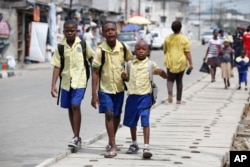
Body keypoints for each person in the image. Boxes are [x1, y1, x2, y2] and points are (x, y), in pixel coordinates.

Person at [91, 21, 133, 158]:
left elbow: (131, 64)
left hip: (120, 88)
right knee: (109, 114)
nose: (110, 32)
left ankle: (111, 140)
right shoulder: (99, 51)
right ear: (103, 33)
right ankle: (113, 146)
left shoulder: (124, 48)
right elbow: (95, 72)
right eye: (107, 30)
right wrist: (94, 94)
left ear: (117, 32)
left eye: (112, 30)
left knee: (116, 116)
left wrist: (128, 74)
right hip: (105, 89)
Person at [50, 20, 94, 148]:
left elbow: (92, 58)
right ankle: (76, 136)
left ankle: (75, 137)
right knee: (70, 107)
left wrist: (97, 72)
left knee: (76, 105)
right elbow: (57, 66)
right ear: (63, 32)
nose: (70, 33)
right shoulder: (60, 47)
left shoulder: (83, 44)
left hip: (80, 80)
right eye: (67, 31)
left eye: (72, 30)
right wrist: (53, 84)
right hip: (66, 81)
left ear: (76, 31)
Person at [121, 40, 167, 159]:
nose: (141, 51)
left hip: (145, 97)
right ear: (134, 51)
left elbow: (161, 73)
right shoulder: (129, 64)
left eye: (144, 49)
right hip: (132, 97)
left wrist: (162, 73)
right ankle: (134, 143)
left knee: (145, 120)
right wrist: (124, 77)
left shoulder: (151, 64)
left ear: (148, 51)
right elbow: (126, 78)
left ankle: (146, 146)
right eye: (138, 49)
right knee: (132, 122)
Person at [163, 20, 193, 104]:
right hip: (181, 61)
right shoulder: (184, 39)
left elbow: (165, 51)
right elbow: (187, 52)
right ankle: (179, 100)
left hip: (170, 61)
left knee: (170, 79)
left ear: (172, 28)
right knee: (179, 81)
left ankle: (170, 94)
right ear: (180, 28)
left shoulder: (167, 38)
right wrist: (191, 63)